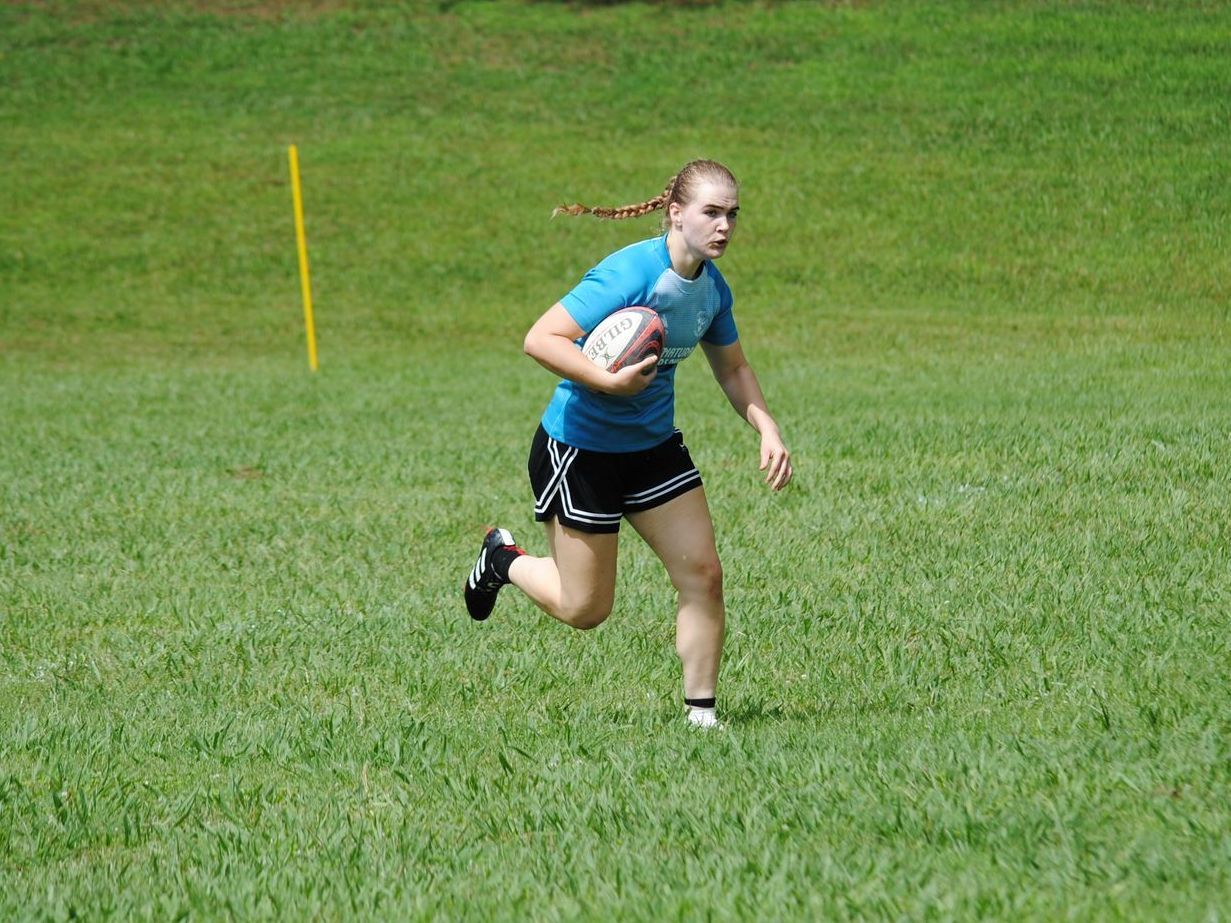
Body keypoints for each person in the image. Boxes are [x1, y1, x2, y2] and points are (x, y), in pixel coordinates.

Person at [463, 159, 792, 729]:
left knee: (704, 575)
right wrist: (607, 380)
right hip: (580, 450)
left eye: (732, 215)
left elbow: (733, 368)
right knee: (585, 609)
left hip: (653, 448)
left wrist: (767, 428)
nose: (724, 226)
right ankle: (503, 559)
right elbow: (540, 338)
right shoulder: (630, 273)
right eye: (711, 213)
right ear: (676, 214)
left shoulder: (711, 291)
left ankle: (702, 718)